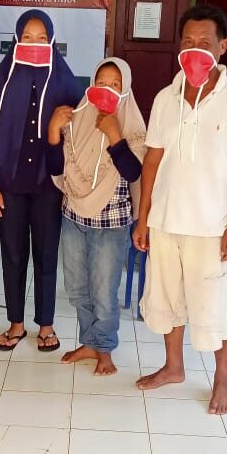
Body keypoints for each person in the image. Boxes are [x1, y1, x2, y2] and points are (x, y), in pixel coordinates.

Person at [133, 4, 227, 414]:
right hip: (166, 221)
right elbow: (152, 161)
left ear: (222, 47)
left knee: (215, 307)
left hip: (212, 227)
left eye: (204, 42)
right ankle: (173, 367)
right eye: (188, 42)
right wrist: (143, 218)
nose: (195, 49)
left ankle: (222, 379)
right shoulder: (165, 98)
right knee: (166, 299)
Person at [0, 10, 83, 352]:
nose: (34, 43)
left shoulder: (66, 82)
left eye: (41, 38)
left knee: (46, 255)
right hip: (8, 183)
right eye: (27, 37)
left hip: (48, 186)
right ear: (16, 39)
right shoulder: (2, 79)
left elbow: (79, 136)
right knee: (12, 255)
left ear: (51, 41)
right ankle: (16, 324)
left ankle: (46, 325)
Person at [48, 58, 146, 375]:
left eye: (115, 85)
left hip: (111, 223)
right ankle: (89, 342)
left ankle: (104, 347)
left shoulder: (132, 126)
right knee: (77, 288)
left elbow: (133, 172)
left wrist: (115, 135)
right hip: (74, 216)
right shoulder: (77, 118)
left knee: (104, 291)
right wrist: (53, 132)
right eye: (101, 82)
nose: (107, 89)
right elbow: (56, 167)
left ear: (126, 89)